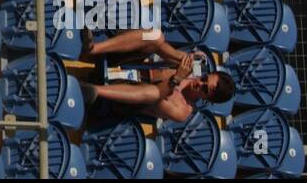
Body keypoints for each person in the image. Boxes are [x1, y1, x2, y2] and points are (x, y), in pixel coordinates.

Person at [78, 28, 235, 123]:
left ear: (207, 99)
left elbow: (158, 101)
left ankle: (94, 91)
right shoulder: (194, 69)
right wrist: (179, 58)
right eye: (204, 79)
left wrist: (176, 79)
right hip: (128, 65)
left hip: (120, 99)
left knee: (156, 94)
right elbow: (160, 49)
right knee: (156, 36)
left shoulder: (183, 110)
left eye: (205, 90)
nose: (200, 83)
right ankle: (93, 49)